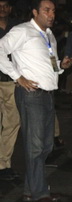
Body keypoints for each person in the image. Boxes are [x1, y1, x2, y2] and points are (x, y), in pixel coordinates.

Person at [0, 0, 72, 202]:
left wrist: (61, 66)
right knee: (35, 146)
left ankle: (29, 190)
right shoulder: (22, 31)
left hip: (48, 94)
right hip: (31, 94)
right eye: (46, 10)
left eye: (53, 11)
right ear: (35, 12)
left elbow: (50, 64)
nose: (51, 14)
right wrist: (17, 77)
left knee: (46, 145)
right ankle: (40, 193)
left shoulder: (49, 35)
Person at [0, 0, 20, 181]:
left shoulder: (17, 28)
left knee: (12, 122)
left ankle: (3, 164)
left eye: (5, 5)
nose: (2, 8)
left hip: (12, 81)